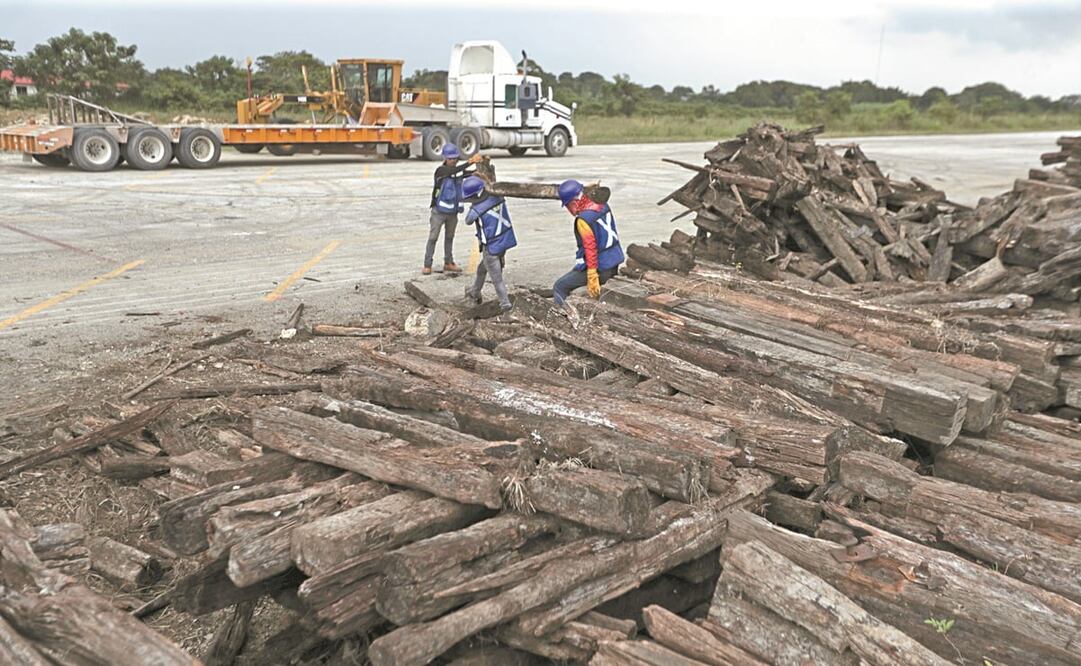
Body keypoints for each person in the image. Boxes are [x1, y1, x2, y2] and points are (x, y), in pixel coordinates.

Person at [552, 179, 624, 310]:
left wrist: (592, 275)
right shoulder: (602, 205)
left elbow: (590, 249)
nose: (568, 209)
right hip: (614, 261)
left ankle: (562, 317)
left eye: (568, 205)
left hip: (600, 268)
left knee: (560, 286)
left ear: (574, 202)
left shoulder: (583, 220)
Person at [423, 144, 481, 275]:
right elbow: (452, 172)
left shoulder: (458, 171)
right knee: (433, 238)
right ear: (445, 158)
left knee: (449, 237)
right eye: (450, 158)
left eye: (455, 158)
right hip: (438, 211)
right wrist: (470, 162)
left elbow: (463, 173)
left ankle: (448, 262)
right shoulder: (441, 171)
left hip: (453, 212)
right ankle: (427, 264)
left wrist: (477, 171)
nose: (453, 161)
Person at [462, 175, 516, 312]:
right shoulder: (498, 197)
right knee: (482, 269)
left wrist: (474, 206)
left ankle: (506, 306)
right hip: (504, 241)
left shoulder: (475, 210)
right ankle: (475, 292)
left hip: (491, 247)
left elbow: (468, 220)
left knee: (497, 279)